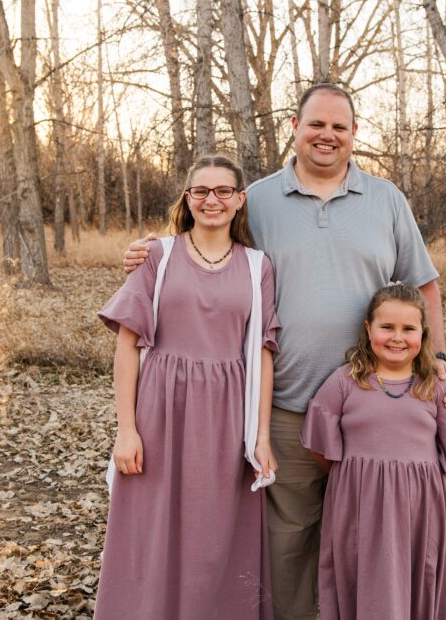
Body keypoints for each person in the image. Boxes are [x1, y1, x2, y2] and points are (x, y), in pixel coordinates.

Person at [123, 83, 446, 620]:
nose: (327, 136)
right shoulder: (257, 198)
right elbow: (204, 240)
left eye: (339, 127)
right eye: (316, 125)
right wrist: (150, 251)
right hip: (284, 407)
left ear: (353, 135)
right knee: (287, 546)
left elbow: (423, 288)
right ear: (295, 128)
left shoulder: (386, 200)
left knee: (372, 544)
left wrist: (438, 362)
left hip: (377, 412)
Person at [95, 155, 280, 620]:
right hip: (160, 410)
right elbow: (127, 346)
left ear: (240, 200)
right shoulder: (157, 255)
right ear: (187, 198)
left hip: (227, 415)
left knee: (217, 532)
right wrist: (126, 429)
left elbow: (261, 351)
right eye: (200, 191)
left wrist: (260, 436)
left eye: (223, 191)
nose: (211, 200)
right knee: (150, 528)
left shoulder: (258, 267)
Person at [300, 283, 446, 619]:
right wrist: (357, 477)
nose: (397, 337)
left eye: (408, 329)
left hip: (419, 510)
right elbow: (320, 448)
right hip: (358, 505)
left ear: (424, 335)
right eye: (387, 327)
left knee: (414, 578)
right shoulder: (345, 382)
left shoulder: (435, 387)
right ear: (368, 329)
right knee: (359, 575)